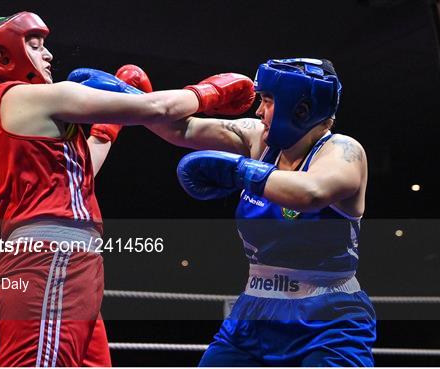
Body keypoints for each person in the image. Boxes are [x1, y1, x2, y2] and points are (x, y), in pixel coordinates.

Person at [0, 11, 255, 367]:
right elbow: (158, 107)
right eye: (36, 46)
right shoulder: (33, 98)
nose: (49, 55)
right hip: (52, 257)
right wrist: (211, 92)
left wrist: (105, 131)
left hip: (63, 257)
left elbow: (76, 172)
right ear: (5, 55)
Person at [143, 58, 376, 366]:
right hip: (254, 312)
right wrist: (133, 99)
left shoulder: (344, 151)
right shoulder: (259, 140)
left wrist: (240, 172)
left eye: (267, 101)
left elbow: (312, 192)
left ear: (300, 108)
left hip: (328, 320)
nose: (258, 111)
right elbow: (181, 130)